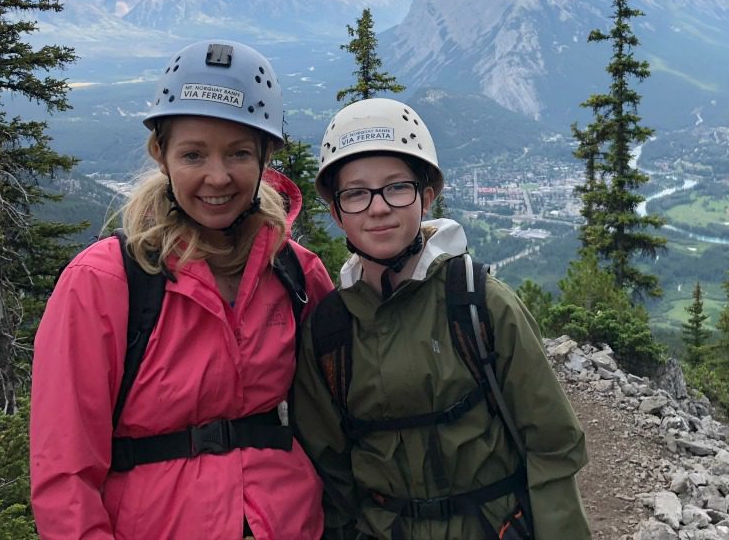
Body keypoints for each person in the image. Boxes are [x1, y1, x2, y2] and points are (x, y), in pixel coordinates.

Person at [30, 40, 334, 540]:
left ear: (265, 156)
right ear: (161, 155)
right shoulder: (105, 283)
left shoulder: (296, 274)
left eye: (239, 153)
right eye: (193, 154)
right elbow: (65, 474)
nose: (218, 176)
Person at [294, 97, 591, 540]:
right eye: (356, 193)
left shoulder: (478, 304)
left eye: (397, 187)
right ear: (337, 212)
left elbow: (552, 444)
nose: (378, 207)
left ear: (426, 197)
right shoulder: (329, 331)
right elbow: (329, 472)